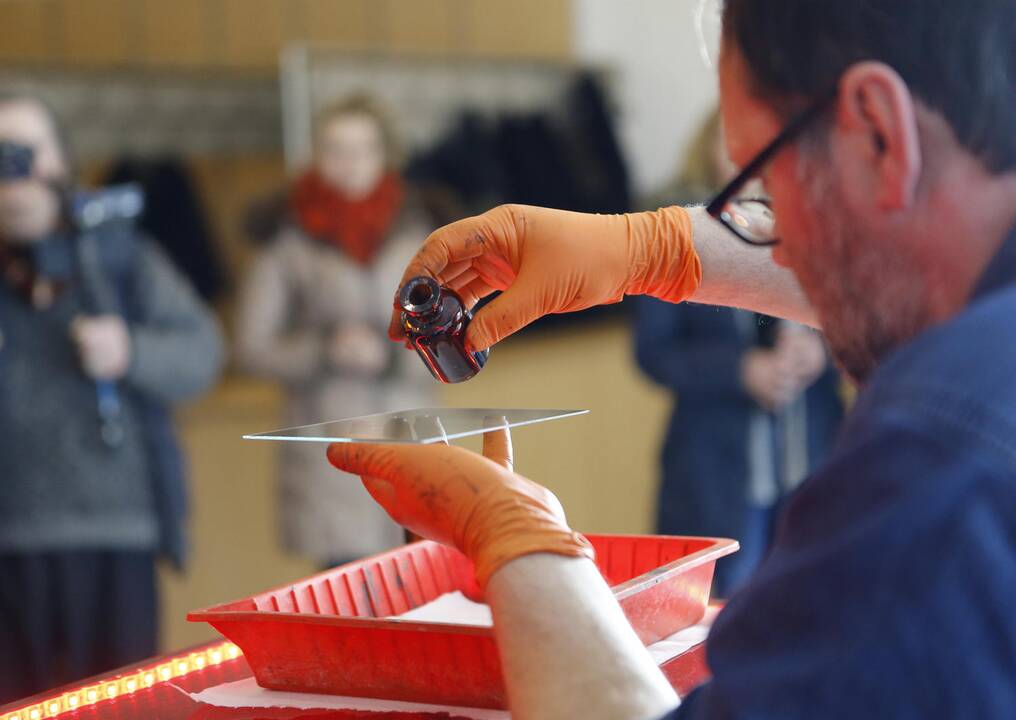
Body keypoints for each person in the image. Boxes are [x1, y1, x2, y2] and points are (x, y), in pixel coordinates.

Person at [326, 0, 1016, 717]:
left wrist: (517, 542)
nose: (778, 249)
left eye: (767, 193)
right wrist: (653, 248)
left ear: (878, 129)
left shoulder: (943, 463)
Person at [0, 94, 223, 718]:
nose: (12, 169)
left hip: (115, 537)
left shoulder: (120, 256)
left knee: (120, 710)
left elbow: (202, 352)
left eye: (26, 150)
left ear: (61, 161)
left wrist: (131, 351)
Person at [636, 110, 844, 596]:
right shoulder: (675, 231)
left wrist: (824, 349)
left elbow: (874, 317)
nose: (747, 161)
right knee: (712, 610)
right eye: (732, 144)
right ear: (708, 148)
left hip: (810, 459)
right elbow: (652, 352)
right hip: (716, 467)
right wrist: (738, 369)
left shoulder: (822, 222)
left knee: (806, 607)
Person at [235, 94, 434, 567]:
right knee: (350, 601)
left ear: (385, 156)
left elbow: (462, 341)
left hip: (416, 446)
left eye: (362, 149)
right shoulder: (287, 241)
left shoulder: (422, 233)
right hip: (333, 453)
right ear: (316, 156)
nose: (348, 164)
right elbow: (250, 346)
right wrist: (324, 350)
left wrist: (390, 355)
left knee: (424, 594)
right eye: (335, 149)